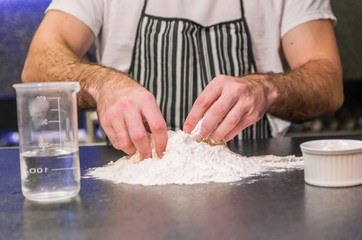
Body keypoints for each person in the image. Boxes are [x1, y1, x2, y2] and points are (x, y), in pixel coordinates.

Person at [22, 0, 343, 159]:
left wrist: (265, 89)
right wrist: (101, 83)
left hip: (250, 174)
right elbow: (37, 66)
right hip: (132, 185)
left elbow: (328, 84)